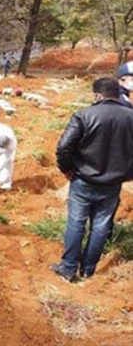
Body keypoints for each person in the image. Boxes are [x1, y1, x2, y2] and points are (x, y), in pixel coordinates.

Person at [51, 78, 133, 282]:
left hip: (83, 180)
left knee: (76, 223)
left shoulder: (84, 115)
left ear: (98, 95)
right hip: (112, 184)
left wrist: (66, 168)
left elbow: (64, 147)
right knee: (101, 226)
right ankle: (88, 271)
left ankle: (68, 268)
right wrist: (128, 174)